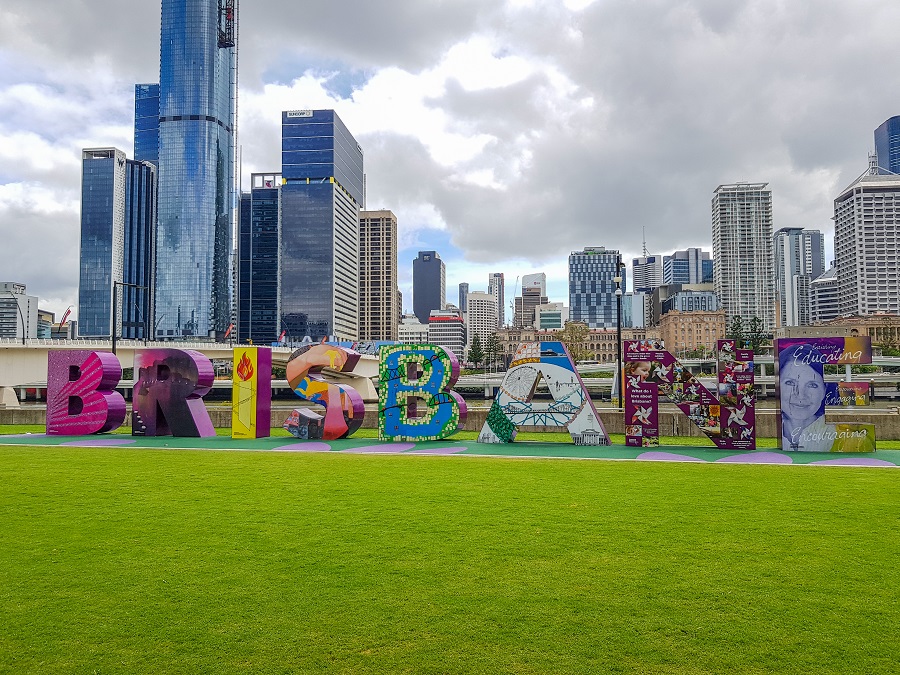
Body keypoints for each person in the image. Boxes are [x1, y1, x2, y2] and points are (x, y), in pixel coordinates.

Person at [779, 344, 835, 452]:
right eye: (790, 383)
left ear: (824, 390)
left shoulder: (848, 440)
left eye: (812, 385)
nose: (800, 395)